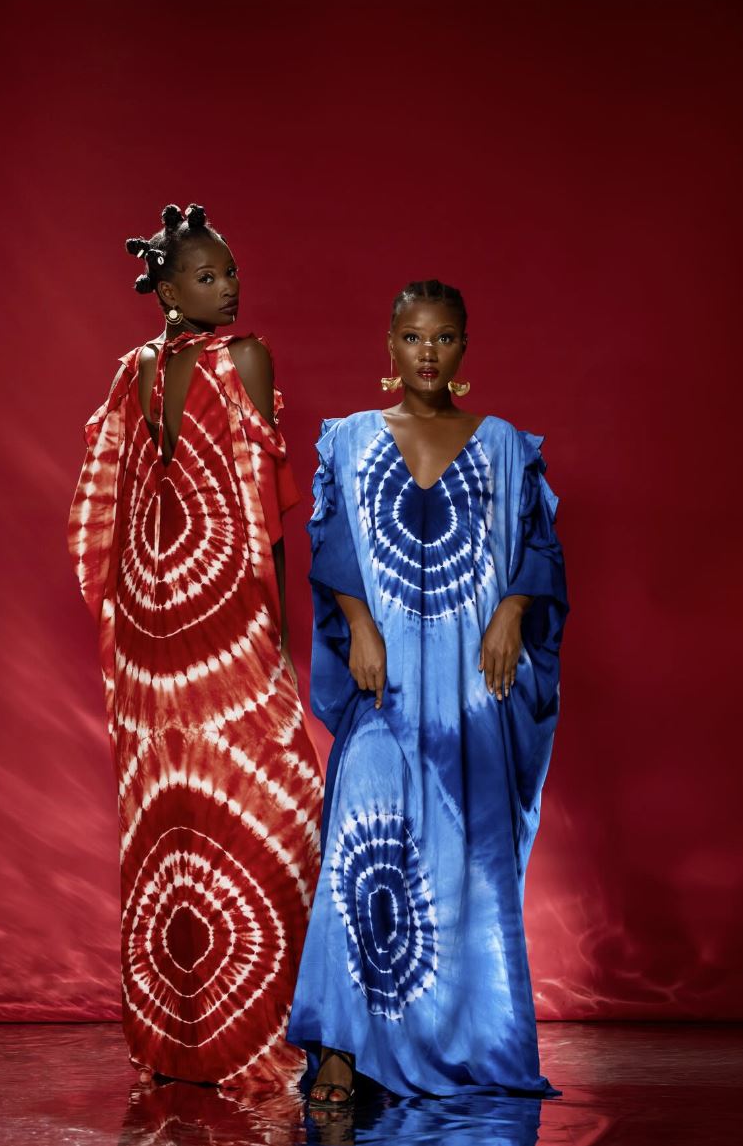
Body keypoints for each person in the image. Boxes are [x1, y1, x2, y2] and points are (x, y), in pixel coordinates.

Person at [287, 279, 568, 1104]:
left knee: (467, 861)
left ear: (464, 346)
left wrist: (512, 609)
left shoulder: (504, 444)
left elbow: (538, 542)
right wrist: (357, 622)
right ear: (390, 343)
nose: (427, 353)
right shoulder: (349, 438)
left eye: (443, 338)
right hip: (387, 682)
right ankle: (340, 1044)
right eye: (413, 337)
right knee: (362, 840)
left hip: (471, 685)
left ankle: (464, 1037)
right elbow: (329, 536)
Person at [68, 203, 323, 1087]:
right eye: (209, 276)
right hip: (222, 620)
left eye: (231, 271)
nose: (230, 287)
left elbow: (104, 509)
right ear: (168, 291)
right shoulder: (244, 357)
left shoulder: (130, 374)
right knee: (266, 807)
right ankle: (258, 1039)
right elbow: (260, 512)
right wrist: (277, 631)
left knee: (170, 816)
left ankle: (178, 1042)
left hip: (150, 627)